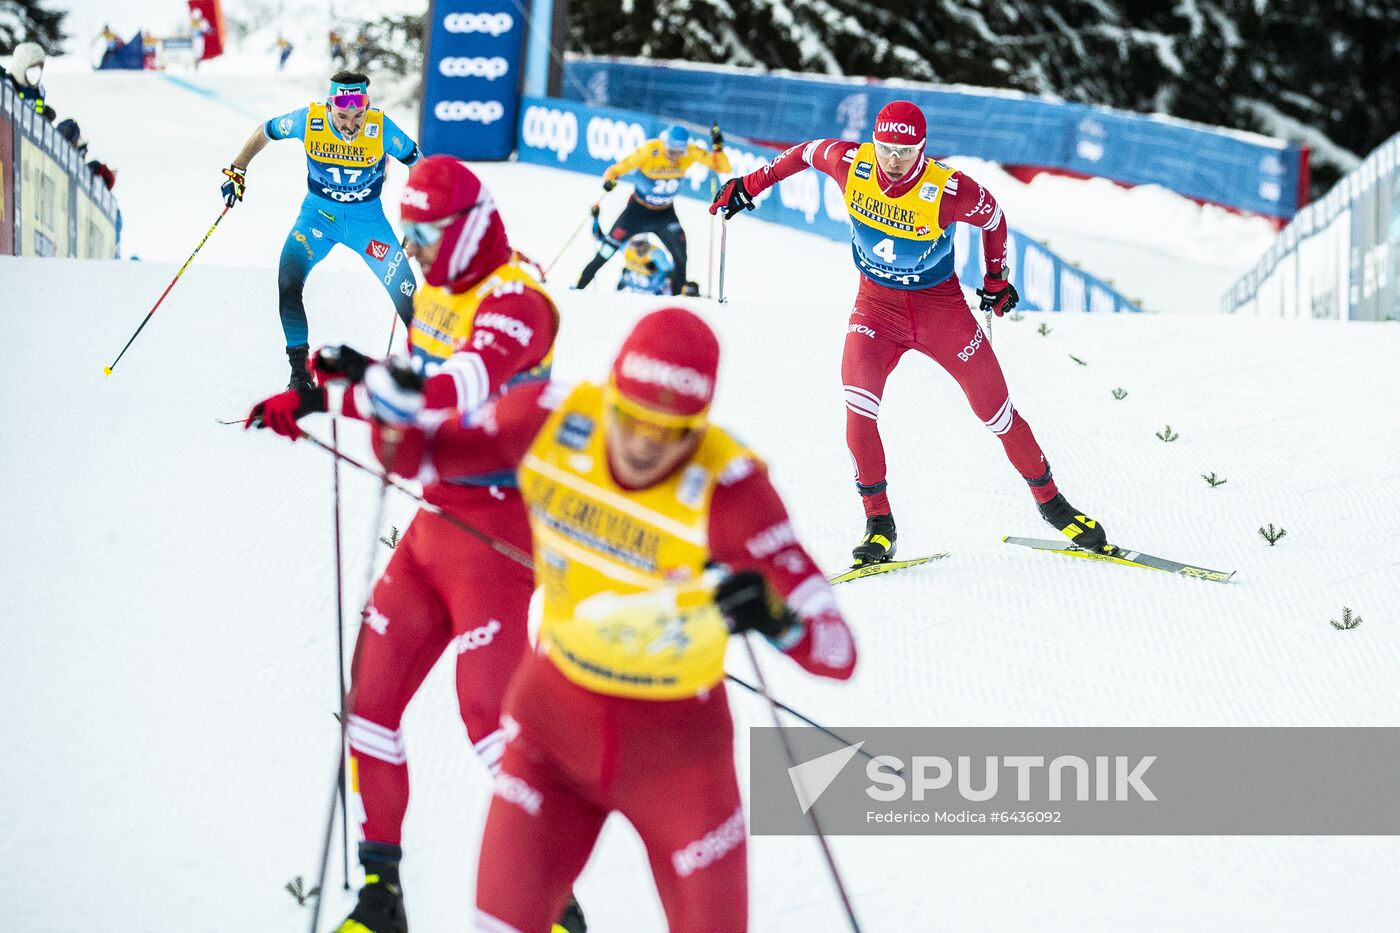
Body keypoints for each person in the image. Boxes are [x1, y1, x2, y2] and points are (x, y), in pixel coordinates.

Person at [266, 307, 856, 931]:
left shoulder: (732, 489)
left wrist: (778, 618)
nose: (645, 444)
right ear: (609, 396)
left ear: (700, 428)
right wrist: (383, 394)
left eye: (672, 431)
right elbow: (419, 456)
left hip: (679, 753)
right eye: (630, 419)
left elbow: (837, 651)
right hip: (554, 731)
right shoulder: (550, 417)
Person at [243, 157, 581, 933]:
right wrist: (315, 394)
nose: (415, 249)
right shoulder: (437, 294)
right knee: (371, 704)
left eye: (428, 235)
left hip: (496, 533)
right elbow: (407, 376)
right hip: (435, 523)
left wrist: (350, 385)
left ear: (466, 229)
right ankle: (381, 896)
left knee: (489, 721)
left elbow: (449, 393)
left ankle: (559, 902)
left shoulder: (516, 299)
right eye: (411, 233)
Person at [711, 100, 1111, 564]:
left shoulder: (949, 188)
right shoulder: (851, 163)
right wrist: (749, 185)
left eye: (905, 151)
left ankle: (1052, 503)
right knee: (858, 405)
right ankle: (879, 522)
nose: (893, 160)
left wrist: (996, 279)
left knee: (996, 414)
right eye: (885, 148)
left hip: (940, 311)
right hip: (876, 309)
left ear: (922, 148)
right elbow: (804, 152)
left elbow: (994, 218)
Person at [222, 71, 421, 390]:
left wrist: (416, 219)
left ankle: (427, 372)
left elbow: (418, 163)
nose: (351, 124)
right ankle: (300, 373)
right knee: (288, 283)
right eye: (342, 115)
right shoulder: (308, 120)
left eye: (359, 114)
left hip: (367, 225)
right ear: (330, 107)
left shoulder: (380, 127)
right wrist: (238, 167)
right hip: (317, 219)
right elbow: (265, 131)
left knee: (408, 297)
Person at [575, 124, 729, 296]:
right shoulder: (649, 151)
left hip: (665, 213)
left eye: (680, 152)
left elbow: (722, 167)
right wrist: (610, 181)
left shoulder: (691, 152)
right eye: (672, 151)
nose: (675, 156)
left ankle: (676, 300)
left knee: (681, 258)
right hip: (637, 212)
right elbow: (615, 170)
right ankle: (578, 288)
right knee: (605, 252)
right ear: (664, 144)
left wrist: (718, 148)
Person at [7, 42, 56, 123]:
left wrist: (44, 112)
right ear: (21, 67)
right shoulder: (6, 85)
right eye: (31, 69)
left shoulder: (38, 92)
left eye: (38, 70)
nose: (35, 75)